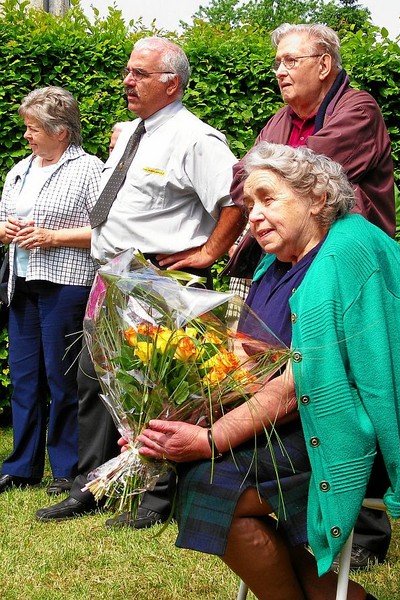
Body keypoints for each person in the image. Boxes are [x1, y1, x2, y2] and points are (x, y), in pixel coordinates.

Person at [134, 143, 400, 600]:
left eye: (267, 199)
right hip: (302, 419)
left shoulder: (347, 253)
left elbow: (300, 384)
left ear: (317, 197)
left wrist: (210, 440)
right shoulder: (277, 259)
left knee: (211, 485)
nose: (252, 215)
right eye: (248, 204)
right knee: (200, 480)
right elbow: (246, 360)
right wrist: (172, 422)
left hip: (357, 426)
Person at [35, 36, 245, 525]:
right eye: (128, 72)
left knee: (158, 389)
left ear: (171, 84)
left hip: (158, 277)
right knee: (96, 380)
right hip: (111, 274)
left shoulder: (197, 139)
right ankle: (93, 485)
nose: (127, 81)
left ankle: (157, 497)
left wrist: (210, 251)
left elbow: (236, 200)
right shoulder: (133, 132)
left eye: (140, 74)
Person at [228, 22, 395, 568]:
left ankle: (361, 533)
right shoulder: (282, 120)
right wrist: (264, 179)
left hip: (341, 268)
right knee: (269, 364)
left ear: (324, 64)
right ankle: (304, 515)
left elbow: (307, 171)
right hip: (291, 262)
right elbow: (243, 180)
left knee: (335, 378)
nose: (279, 70)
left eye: (290, 60)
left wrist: (268, 170)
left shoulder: (358, 110)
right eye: (276, 61)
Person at [0, 86, 103, 495]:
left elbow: (106, 232)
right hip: (20, 282)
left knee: (62, 380)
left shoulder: (89, 169)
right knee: (24, 378)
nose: (27, 135)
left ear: (61, 131)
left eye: (34, 128)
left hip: (66, 284)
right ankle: (21, 466)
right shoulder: (19, 169)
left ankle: (66, 468)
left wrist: (53, 237)